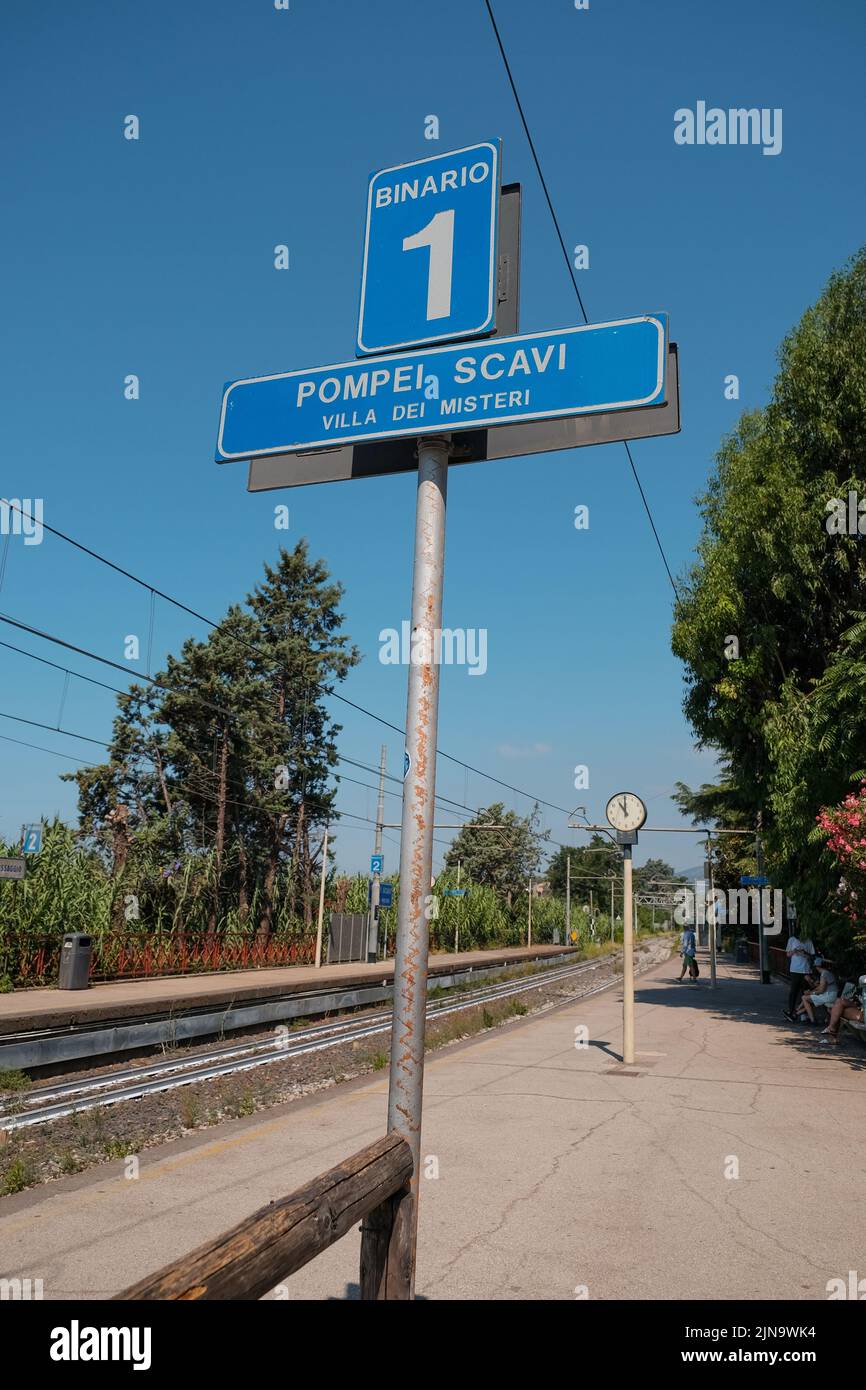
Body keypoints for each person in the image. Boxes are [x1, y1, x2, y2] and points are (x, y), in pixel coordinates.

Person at [821, 979, 865, 1044]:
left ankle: (832, 1034)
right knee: (839, 1002)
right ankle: (831, 1029)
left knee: (837, 1009)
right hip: (859, 1008)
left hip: (863, 1014)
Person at [782, 931, 815, 1020]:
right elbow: (788, 954)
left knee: (805, 992)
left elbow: (812, 956)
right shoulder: (792, 940)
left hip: (806, 970)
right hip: (794, 970)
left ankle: (803, 1014)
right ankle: (791, 1012)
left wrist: (804, 953)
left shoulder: (808, 941)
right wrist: (795, 951)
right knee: (793, 991)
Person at [798, 957, 838, 1024]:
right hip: (831, 995)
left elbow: (821, 990)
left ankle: (813, 1020)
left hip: (829, 996)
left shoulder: (824, 974)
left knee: (804, 998)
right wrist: (811, 992)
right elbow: (820, 987)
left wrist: (811, 992)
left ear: (817, 967)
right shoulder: (827, 972)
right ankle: (798, 1012)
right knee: (808, 997)